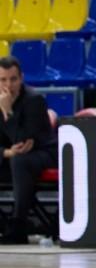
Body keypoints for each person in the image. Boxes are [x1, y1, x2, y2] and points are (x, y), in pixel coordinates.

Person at [0, 56, 56, 244]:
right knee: (15, 159)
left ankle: (19, 226)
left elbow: (22, 141)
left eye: (13, 79)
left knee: (20, 161)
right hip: (10, 156)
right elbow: (12, 148)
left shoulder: (34, 100)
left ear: (21, 78)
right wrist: (6, 153)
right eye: (3, 80)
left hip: (43, 154)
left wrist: (7, 112)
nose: (9, 85)